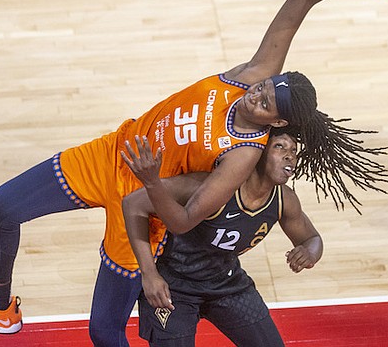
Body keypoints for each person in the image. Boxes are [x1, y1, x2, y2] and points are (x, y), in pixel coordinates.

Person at [0, 0, 388, 346]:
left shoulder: (240, 157)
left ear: (275, 124)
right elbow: (299, 0)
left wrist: (152, 179)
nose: (258, 93)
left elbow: (183, 220)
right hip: (114, 152)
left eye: (266, 102)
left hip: (143, 202)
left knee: (105, 331)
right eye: (265, 87)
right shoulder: (247, 77)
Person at [121, 128, 323, 346]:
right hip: (174, 285)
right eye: (280, 146)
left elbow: (312, 238)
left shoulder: (285, 200)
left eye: (294, 150)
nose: (289, 155)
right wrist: (149, 275)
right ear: (258, 153)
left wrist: (310, 252)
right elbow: (133, 204)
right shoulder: (212, 185)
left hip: (226, 283)